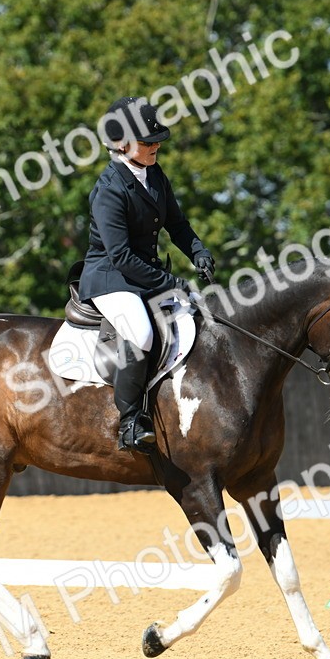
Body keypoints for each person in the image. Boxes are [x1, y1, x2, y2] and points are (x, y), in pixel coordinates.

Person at [79, 96, 216, 453]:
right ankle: (129, 422)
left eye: (157, 141)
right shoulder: (109, 190)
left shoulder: (154, 174)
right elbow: (121, 256)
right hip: (112, 278)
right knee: (140, 332)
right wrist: (172, 283)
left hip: (146, 274)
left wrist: (198, 251)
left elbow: (177, 224)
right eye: (147, 142)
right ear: (122, 144)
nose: (155, 146)